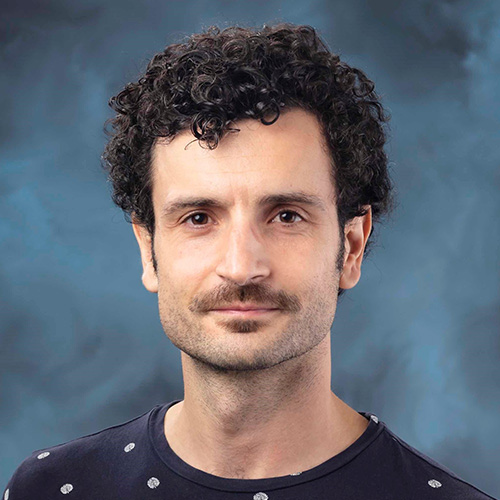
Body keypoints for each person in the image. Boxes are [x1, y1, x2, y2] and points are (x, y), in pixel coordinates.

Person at [4, 22, 497, 500]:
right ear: (148, 249)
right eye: (198, 218)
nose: (241, 267)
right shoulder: (52, 491)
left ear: (350, 247)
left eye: (286, 215)